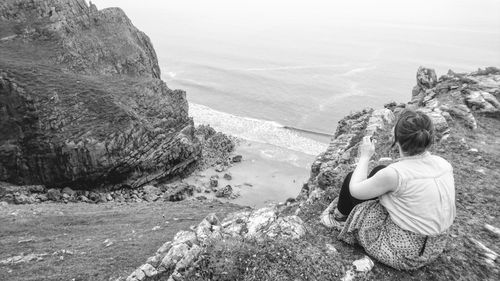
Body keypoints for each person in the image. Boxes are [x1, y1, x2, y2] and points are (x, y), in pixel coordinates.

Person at [320, 109, 455, 270]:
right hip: (434, 246)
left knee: (352, 178)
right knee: (379, 171)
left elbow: (355, 190)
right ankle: (341, 215)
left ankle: (338, 218)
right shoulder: (444, 164)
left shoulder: (395, 174)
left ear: (397, 140)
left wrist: (365, 156)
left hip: (405, 252)